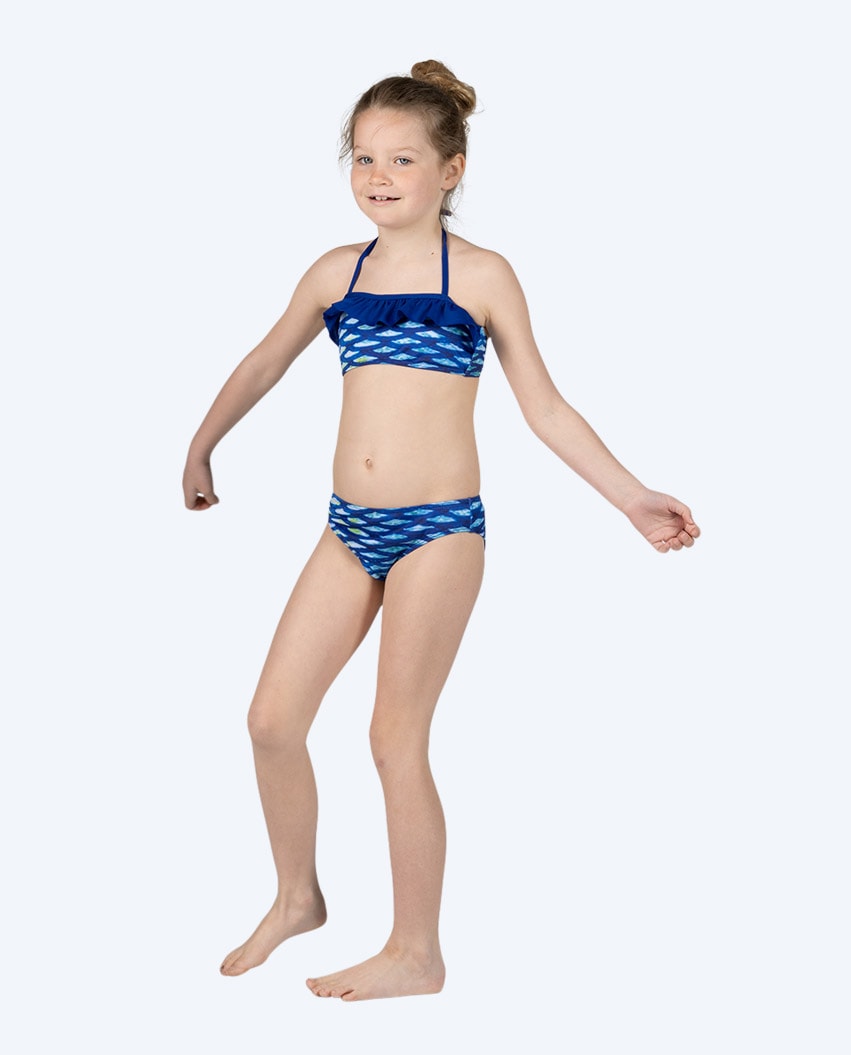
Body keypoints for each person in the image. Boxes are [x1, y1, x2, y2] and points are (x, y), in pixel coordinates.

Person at [182, 59, 700, 1002]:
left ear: (451, 170)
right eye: (363, 158)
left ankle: (416, 951)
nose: (379, 176)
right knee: (270, 720)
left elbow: (545, 408)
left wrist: (630, 497)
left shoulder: (484, 276)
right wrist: (201, 445)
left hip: (438, 532)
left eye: (403, 159)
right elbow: (262, 363)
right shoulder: (336, 272)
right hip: (346, 529)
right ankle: (297, 896)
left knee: (393, 736)